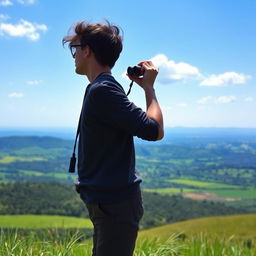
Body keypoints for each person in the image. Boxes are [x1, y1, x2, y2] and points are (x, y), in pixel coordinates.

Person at [62, 20, 164, 256]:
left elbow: (155, 130)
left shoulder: (103, 90)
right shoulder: (101, 88)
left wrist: (149, 89)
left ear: (87, 50)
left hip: (115, 205)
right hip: (110, 204)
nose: (73, 55)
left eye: (74, 48)